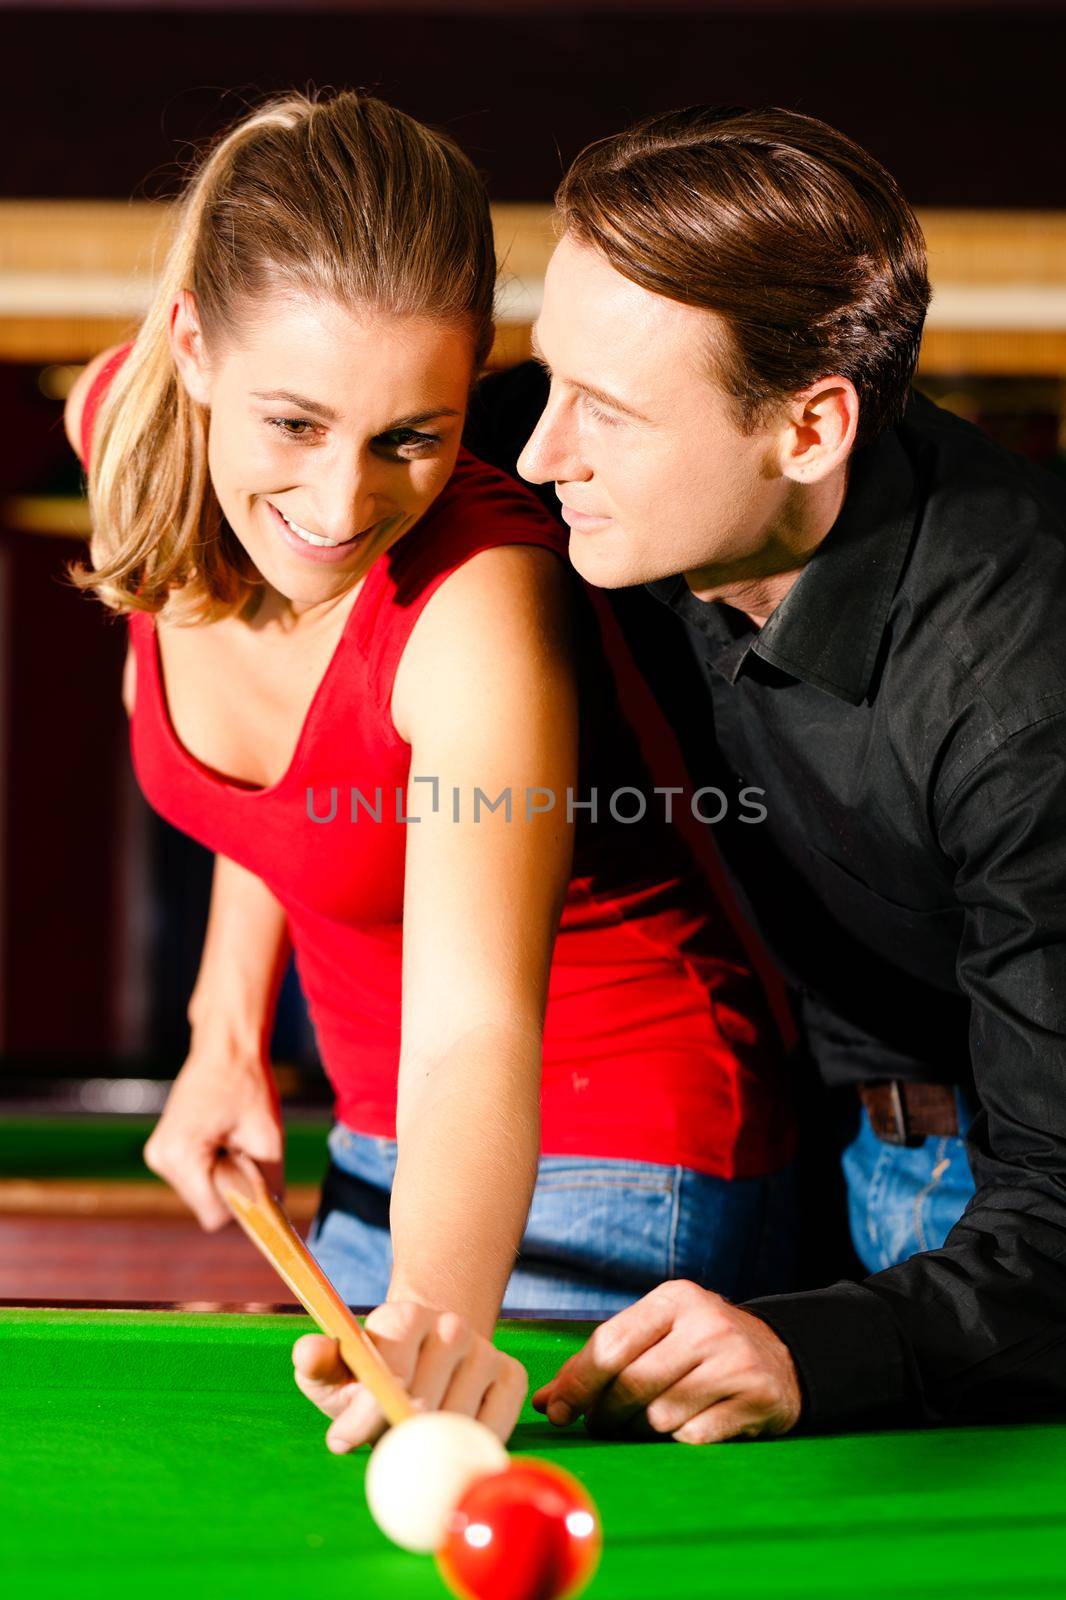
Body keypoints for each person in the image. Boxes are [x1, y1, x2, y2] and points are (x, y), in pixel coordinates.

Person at [65, 90, 796, 1452]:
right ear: (188, 350)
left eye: (413, 435)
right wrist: (224, 1039)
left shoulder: (479, 608)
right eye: (293, 425)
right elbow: (276, 799)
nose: (343, 506)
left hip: (617, 1150)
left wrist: (437, 1312)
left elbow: (473, 1020)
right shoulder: (128, 433)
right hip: (374, 1132)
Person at [466, 104, 1066, 1442]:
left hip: (994, 1206)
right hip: (803, 1128)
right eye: (548, 375)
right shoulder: (661, 475)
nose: (536, 452)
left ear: (808, 430)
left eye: (602, 413)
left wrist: (833, 1347)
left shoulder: (1024, 697)